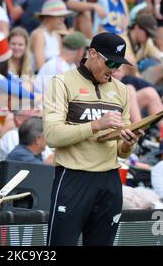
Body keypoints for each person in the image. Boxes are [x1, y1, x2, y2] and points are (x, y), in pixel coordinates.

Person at [44, 32, 143, 246]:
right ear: (92, 53)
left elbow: (120, 150)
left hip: (110, 179)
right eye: (111, 62)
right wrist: (95, 125)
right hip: (73, 177)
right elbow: (52, 136)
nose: (115, 70)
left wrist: (129, 142)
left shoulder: (121, 90)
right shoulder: (61, 82)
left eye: (119, 64)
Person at [30, 0, 73, 71]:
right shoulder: (39, 35)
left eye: (63, 16)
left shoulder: (57, 36)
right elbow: (41, 69)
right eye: (59, 16)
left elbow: (60, 61)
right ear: (48, 17)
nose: (63, 19)